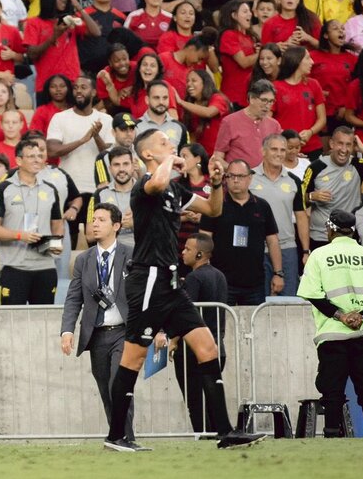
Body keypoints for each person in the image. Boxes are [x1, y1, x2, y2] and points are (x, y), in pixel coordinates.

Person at [103, 128, 263, 451]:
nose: (170, 145)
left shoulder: (174, 190)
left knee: (207, 350)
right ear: (147, 154)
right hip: (148, 279)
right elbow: (159, 182)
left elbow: (213, 209)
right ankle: (116, 436)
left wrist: (216, 184)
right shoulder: (145, 186)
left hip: (172, 282)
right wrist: (172, 160)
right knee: (133, 358)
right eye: (162, 143)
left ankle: (226, 432)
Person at [61, 202, 135, 444]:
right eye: (94, 220)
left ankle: (125, 437)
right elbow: (74, 297)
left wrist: (158, 328)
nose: (94, 224)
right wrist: (67, 330)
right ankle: (117, 438)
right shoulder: (84, 260)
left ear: (116, 225)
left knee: (118, 384)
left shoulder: (131, 254)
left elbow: (145, 294)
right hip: (97, 334)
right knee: (105, 389)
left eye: (101, 220)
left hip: (124, 332)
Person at [297, 209, 363, 438]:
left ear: (329, 229)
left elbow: (313, 294)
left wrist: (341, 316)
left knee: (333, 392)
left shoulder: (319, 255)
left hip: (332, 335)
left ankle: (331, 437)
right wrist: (361, 316)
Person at [0, 139, 65, 305]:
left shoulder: (50, 189)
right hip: (14, 267)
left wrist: (56, 244)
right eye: (31, 156)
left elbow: (57, 223)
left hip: (45, 266)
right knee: (12, 323)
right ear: (19, 160)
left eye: (39, 155)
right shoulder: (1, 189)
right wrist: (20, 235)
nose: (37, 159)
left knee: (43, 323)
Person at [200, 159, 283, 306]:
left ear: (250, 178)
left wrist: (278, 273)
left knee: (253, 326)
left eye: (241, 176)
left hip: (254, 282)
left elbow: (272, 241)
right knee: (223, 326)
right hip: (222, 281)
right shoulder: (215, 204)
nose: (236, 180)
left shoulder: (262, 206)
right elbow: (204, 239)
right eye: (231, 176)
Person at [172, 233, 230, 433]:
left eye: (188, 249)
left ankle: (202, 436)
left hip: (192, 352)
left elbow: (185, 314)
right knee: (213, 398)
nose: (183, 252)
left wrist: (173, 340)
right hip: (216, 347)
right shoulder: (219, 275)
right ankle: (220, 433)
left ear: (200, 254)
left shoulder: (194, 278)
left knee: (195, 401)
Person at [46, 75, 114, 245]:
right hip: (70, 191)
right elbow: (52, 151)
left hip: (96, 190)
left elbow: (109, 155)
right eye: (76, 87)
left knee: (96, 242)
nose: (78, 91)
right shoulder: (60, 118)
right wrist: (82, 140)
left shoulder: (106, 120)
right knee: (66, 242)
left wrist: (96, 135)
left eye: (83, 87)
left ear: (93, 92)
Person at [250, 134, 309, 298]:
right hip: (257, 249)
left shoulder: (294, 181)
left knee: (288, 300)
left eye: (283, 150)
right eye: (274, 149)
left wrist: (305, 250)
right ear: (263, 151)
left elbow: (301, 216)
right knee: (258, 300)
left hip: (287, 248)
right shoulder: (249, 177)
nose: (279, 154)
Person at [301, 126, 363, 252]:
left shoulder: (357, 164)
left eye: (348, 145)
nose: (344, 149)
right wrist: (312, 196)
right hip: (321, 236)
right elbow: (299, 202)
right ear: (331, 144)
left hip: (349, 236)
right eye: (340, 143)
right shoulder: (315, 167)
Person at [212, 80, 282, 168]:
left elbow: (280, 155)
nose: (267, 105)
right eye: (264, 100)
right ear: (252, 98)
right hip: (238, 179)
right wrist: (237, 171)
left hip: (266, 179)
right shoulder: (229, 122)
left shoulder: (274, 125)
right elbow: (218, 157)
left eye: (271, 101)